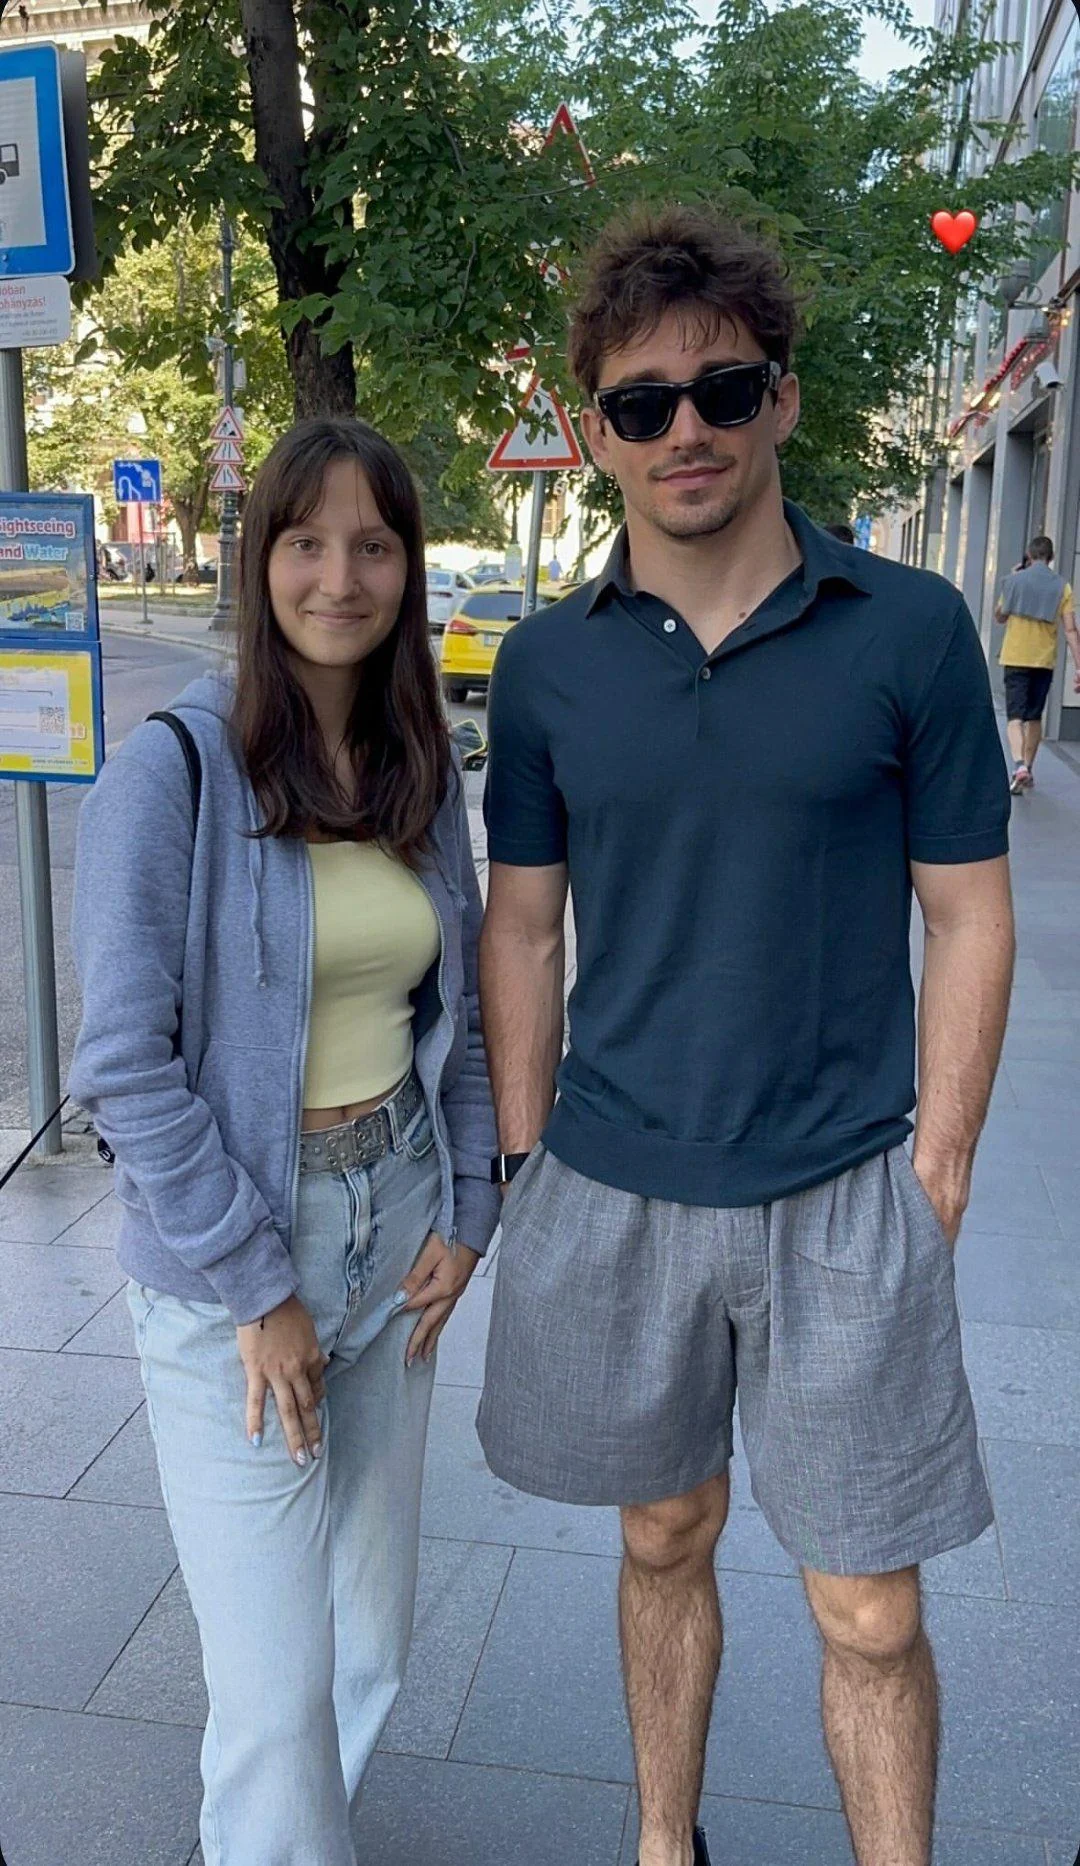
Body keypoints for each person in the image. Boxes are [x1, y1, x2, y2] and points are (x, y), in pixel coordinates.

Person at [477, 205, 1014, 1866]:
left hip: (843, 1184)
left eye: (722, 389)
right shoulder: (547, 668)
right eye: (641, 404)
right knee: (663, 1533)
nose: (685, 430)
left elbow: (969, 912)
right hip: (621, 1174)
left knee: (869, 1608)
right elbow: (522, 922)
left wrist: (939, 1160)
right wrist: (524, 1156)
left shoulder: (910, 630)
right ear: (594, 433)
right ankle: (665, 1843)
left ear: (782, 395)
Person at [69, 417, 499, 1866]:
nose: (340, 577)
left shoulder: (416, 764)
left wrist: (472, 1203)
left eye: (373, 544)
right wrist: (260, 1288)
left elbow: (466, 1007)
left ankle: (282, 1834)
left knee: (369, 1638)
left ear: (408, 568)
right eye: (306, 541)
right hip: (233, 1262)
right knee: (275, 1685)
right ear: (258, 560)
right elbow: (122, 1065)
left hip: (399, 1211)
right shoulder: (177, 769)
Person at [994, 534, 1079, 793]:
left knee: (1015, 716)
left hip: (1015, 657)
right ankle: (1028, 768)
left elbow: (1000, 616)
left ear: (1028, 556)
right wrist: (1078, 666)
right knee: (1034, 716)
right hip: (1043, 660)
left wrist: (1012, 583)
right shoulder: (1063, 587)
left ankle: (1018, 765)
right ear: (1051, 557)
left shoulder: (1014, 581)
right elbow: (1071, 630)